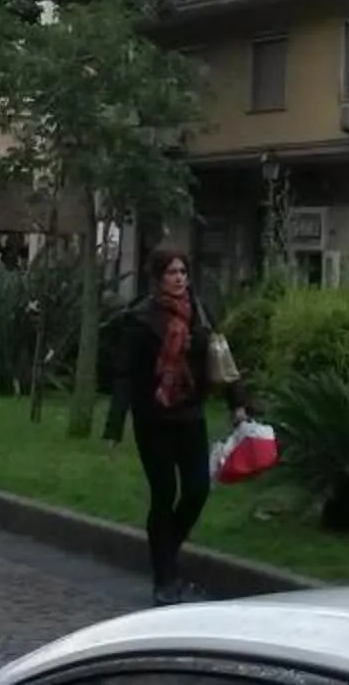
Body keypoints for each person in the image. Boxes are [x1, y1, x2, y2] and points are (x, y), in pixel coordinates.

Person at [103, 247, 249, 605]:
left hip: (190, 414)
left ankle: (166, 553)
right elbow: (124, 375)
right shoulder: (140, 318)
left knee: (197, 489)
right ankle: (164, 579)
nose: (179, 278)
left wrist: (238, 404)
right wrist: (114, 426)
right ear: (157, 278)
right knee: (164, 493)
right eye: (172, 272)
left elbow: (222, 358)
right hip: (153, 417)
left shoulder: (199, 311)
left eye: (183, 271)